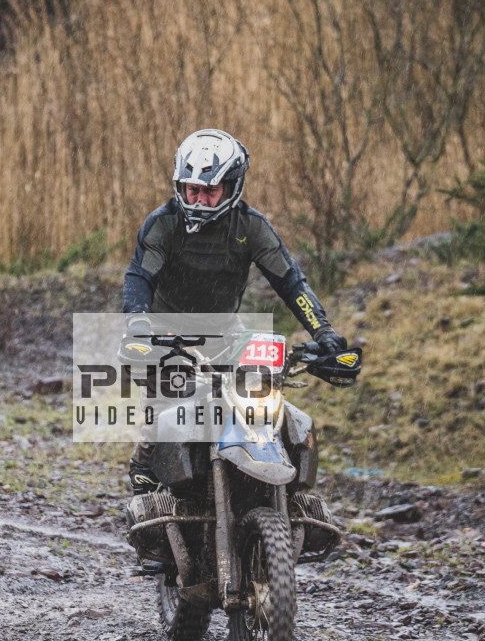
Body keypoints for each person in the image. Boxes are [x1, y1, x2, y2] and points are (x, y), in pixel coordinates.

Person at [122, 127, 352, 495]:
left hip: (228, 329)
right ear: (179, 185)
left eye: (209, 191)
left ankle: (286, 489)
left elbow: (291, 282)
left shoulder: (252, 227)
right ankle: (145, 468)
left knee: (265, 394)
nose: (198, 199)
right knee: (165, 415)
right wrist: (138, 323)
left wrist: (323, 333)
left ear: (232, 187)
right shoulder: (161, 223)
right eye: (191, 189)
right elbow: (139, 277)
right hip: (165, 332)